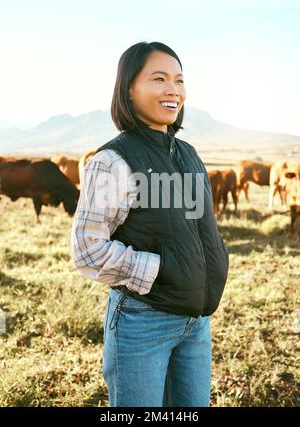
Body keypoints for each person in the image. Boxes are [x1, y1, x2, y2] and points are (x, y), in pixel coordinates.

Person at [70, 41, 229, 407]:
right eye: (159, 79)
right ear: (129, 89)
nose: (173, 89)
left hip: (196, 323)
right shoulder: (112, 160)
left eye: (179, 80)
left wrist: (216, 259)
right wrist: (160, 269)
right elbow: (87, 250)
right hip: (143, 321)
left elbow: (197, 227)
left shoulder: (188, 153)